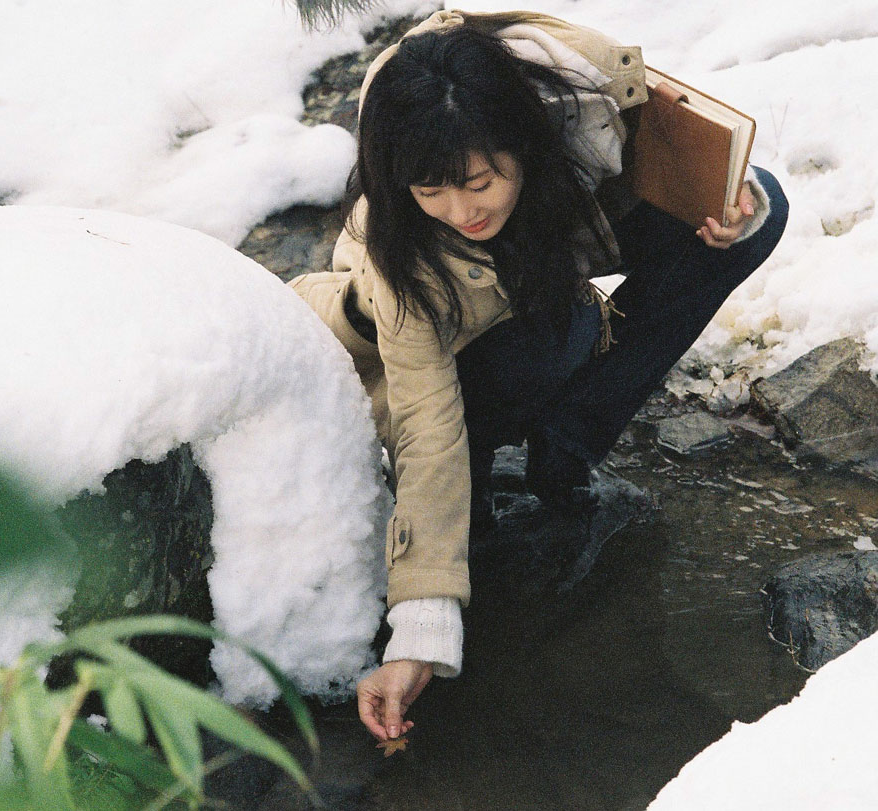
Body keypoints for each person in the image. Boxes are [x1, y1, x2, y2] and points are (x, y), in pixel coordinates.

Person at [288, 9, 789, 743]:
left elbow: (673, 169)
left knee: (763, 204)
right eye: (432, 191)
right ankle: (496, 455)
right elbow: (424, 425)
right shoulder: (401, 251)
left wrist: (728, 209)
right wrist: (421, 625)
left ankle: (567, 440)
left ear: (521, 143)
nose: (461, 211)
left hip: (547, 253)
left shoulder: (582, 110)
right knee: (559, 334)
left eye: (479, 182)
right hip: (445, 345)